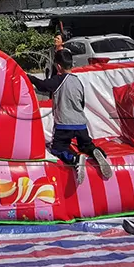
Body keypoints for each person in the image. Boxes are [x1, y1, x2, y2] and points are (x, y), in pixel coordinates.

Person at [29, 48, 113, 184]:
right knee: (86, 144)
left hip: (64, 124)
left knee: (57, 148)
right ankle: (96, 152)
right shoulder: (78, 82)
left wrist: (29, 77)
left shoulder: (58, 79)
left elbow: (42, 85)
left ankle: (74, 159)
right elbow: (82, 103)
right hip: (81, 124)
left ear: (58, 67)